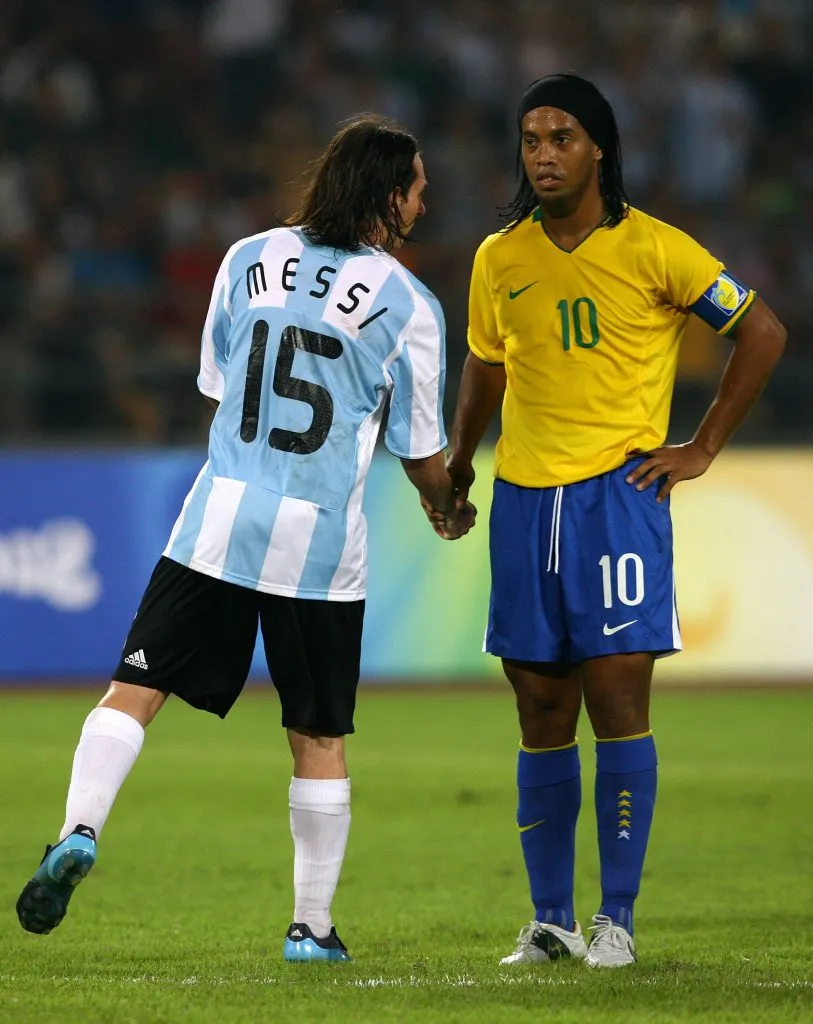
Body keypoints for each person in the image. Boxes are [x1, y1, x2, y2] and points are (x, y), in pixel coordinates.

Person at [16, 115, 475, 961]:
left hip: (219, 519)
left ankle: (76, 832)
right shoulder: (408, 303)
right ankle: (310, 927)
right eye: (416, 187)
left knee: (132, 690)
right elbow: (419, 452)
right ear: (389, 198)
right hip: (321, 543)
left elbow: (221, 384)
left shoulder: (250, 256)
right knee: (318, 734)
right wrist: (448, 504)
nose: (424, 200)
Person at [437, 74, 785, 968]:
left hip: (615, 500)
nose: (543, 154)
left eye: (560, 137)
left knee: (616, 694)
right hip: (522, 500)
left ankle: (616, 919)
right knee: (539, 703)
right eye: (529, 140)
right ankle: (551, 920)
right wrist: (456, 461)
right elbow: (484, 366)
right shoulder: (498, 257)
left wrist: (700, 447)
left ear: (598, 148)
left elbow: (762, 332)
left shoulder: (657, 248)